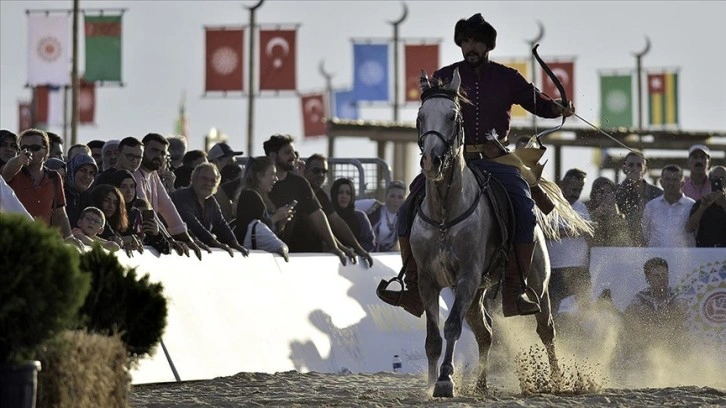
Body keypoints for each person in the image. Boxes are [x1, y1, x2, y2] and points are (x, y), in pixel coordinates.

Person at [379, 13, 574, 317]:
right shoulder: (444, 75)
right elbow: (431, 112)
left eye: (477, 42)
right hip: (449, 164)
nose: (470, 47)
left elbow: (535, 101)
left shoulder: (507, 77)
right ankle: (413, 286)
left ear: (487, 46)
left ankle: (515, 288)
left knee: (523, 209)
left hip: (496, 159)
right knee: (407, 210)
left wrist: (555, 107)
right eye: (466, 41)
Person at [263, 134, 359, 266]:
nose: (293, 157)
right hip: (260, 255)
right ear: (273, 156)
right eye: (287, 152)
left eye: (293, 152)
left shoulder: (299, 183)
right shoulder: (258, 181)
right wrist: (275, 218)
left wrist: (337, 247)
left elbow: (319, 216)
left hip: (288, 258)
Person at [3, 129, 81, 247]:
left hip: (42, 243)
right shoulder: (15, 172)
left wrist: (69, 236)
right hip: (15, 242)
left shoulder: (54, 177)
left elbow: (60, 213)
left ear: (46, 151)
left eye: (35, 148)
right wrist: (19, 160)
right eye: (24, 148)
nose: (29, 152)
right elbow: (6, 173)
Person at [137, 133, 207, 259]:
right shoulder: (134, 174)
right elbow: (148, 213)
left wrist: (188, 240)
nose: (158, 156)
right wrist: (169, 239)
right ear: (143, 151)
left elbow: (168, 208)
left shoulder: (153, 175)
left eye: (163, 153)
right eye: (154, 150)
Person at [302, 153, 375, 263]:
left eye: (324, 172)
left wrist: (359, 249)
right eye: (316, 170)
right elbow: (320, 225)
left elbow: (337, 221)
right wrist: (340, 248)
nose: (321, 175)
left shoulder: (321, 196)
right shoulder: (299, 190)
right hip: (296, 254)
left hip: (313, 256)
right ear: (305, 171)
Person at [170, 163, 249, 257]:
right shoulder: (181, 196)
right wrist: (213, 242)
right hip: (177, 252)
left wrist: (234, 243)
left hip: (197, 253)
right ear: (194, 179)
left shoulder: (211, 201)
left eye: (213, 181)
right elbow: (191, 222)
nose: (208, 183)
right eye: (204, 179)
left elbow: (221, 223)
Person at [546, 169, 591, 314]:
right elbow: (545, 233)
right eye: (573, 189)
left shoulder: (581, 207)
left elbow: (588, 233)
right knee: (552, 310)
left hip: (579, 269)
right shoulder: (549, 203)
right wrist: (570, 232)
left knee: (584, 311)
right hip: (554, 268)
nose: (576, 194)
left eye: (580, 190)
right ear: (562, 185)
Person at [623, 257, 688, 356]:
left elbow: (680, 312)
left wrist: (648, 315)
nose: (661, 278)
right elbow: (629, 312)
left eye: (664, 275)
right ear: (648, 279)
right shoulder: (641, 296)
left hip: (674, 348)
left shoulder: (676, 295)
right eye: (656, 276)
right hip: (647, 348)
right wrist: (664, 316)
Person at [234, 156, 292, 260]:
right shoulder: (250, 196)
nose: (276, 178)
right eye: (272, 174)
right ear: (260, 176)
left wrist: (281, 225)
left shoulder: (264, 198)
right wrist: (276, 217)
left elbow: (266, 235)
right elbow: (256, 230)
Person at [108, 169, 172, 255]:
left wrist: (156, 235)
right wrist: (127, 239)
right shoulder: (109, 211)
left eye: (132, 186)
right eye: (123, 186)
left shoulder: (135, 213)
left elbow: (165, 250)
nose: (129, 191)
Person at [615, 151, 663, 246]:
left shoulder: (657, 193)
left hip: (652, 244)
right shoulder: (616, 191)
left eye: (639, 165)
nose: (635, 168)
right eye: (631, 165)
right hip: (624, 245)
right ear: (624, 169)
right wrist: (628, 184)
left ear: (645, 170)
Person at [642, 164, 695, 247]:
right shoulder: (651, 206)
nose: (671, 183)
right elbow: (645, 235)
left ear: (682, 183)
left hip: (683, 258)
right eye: (667, 179)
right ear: (661, 182)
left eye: (675, 180)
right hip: (656, 258)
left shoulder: (691, 205)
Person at [331, 177, 376, 252]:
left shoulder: (360, 217)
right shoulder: (326, 216)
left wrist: (353, 250)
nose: (344, 196)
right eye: (340, 192)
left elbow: (369, 243)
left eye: (348, 193)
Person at [586, 177, 633, 247]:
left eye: (608, 192)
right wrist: (595, 217)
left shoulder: (622, 217)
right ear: (594, 196)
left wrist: (614, 217)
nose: (604, 195)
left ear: (613, 196)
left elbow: (624, 243)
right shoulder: (586, 214)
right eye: (600, 192)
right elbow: (589, 241)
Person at [686, 165, 726, 247]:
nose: (718, 181)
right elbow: (689, 228)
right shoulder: (702, 202)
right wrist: (702, 208)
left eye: (722, 178)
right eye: (715, 178)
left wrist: (724, 204)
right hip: (705, 253)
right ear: (710, 181)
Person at [366, 180, 406, 252]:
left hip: (386, 255)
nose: (396, 200)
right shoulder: (373, 206)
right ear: (385, 196)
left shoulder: (404, 217)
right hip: (368, 252)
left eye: (400, 197)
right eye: (392, 196)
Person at [63, 154, 98, 228]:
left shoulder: (85, 196)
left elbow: (97, 218)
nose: (87, 176)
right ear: (72, 170)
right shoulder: (60, 192)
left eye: (91, 173)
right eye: (82, 170)